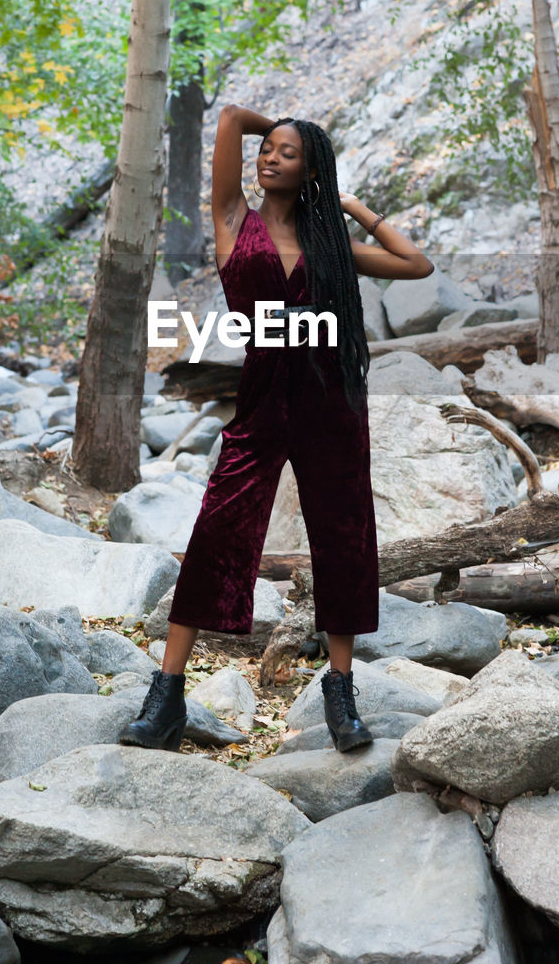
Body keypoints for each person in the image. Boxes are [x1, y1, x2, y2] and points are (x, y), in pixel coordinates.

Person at [119, 103, 434, 753]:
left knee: (343, 543)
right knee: (215, 536)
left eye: (287, 154)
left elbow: (416, 265)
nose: (269, 157)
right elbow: (232, 116)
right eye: (268, 150)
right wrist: (283, 128)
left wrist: (350, 205)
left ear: (311, 170)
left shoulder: (333, 249)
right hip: (261, 404)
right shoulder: (234, 221)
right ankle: (167, 695)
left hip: (330, 407)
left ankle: (340, 690)